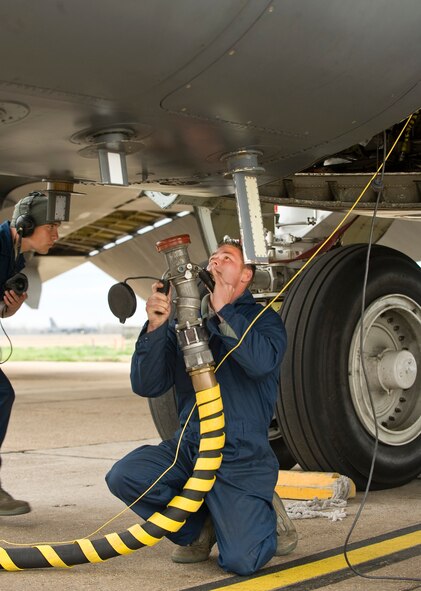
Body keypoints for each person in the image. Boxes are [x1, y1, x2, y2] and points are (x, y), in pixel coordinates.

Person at [106, 238, 298, 576]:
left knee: (243, 560)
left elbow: (261, 362)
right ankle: (198, 529)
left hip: (240, 455)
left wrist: (223, 313)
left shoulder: (262, 321)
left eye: (227, 258)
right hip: (190, 447)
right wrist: (156, 325)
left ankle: (267, 514)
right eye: (213, 258)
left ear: (246, 276)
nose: (216, 263)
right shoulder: (185, 322)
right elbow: (147, 385)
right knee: (125, 476)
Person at [0, 192, 60, 515]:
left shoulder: (16, 257)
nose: (56, 235)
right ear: (25, 224)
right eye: (51, 226)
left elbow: (1, 313)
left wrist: (9, 309)